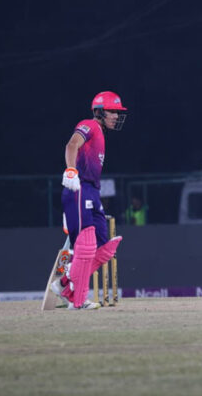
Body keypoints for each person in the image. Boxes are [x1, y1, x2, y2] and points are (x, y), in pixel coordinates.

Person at [51, 91, 128, 310]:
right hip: (79, 188)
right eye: (112, 111)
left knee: (104, 248)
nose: (116, 116)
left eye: (118, 112)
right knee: (85, 246)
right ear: (100, 112)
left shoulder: (101, 133)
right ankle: (78, 300)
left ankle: (65, 284)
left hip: (93, 192)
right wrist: (71, 170)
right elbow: (71, 145)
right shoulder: (90, 125)